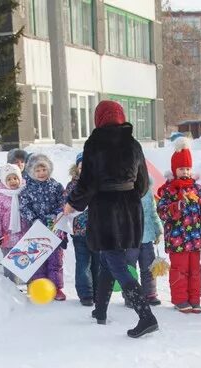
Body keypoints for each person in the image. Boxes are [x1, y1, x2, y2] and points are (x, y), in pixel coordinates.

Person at [64, 100, 159, 338]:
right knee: (109, 259)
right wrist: (128, 196)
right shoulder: (133, 143)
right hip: (129, 209)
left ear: (99, 118)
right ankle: (101, 311)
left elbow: (87, 183)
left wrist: (73, 203)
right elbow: (143, 183)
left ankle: (146, 316)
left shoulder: (95, 143)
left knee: (115, 261)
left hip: (105, 209)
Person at [157, 138, 201, 313]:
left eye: (188, 168)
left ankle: (194, 299)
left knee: (195, 271)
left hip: (195, 239)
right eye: (182, 168)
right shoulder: (169, 191)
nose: (185, 172)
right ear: (175, 170)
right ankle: (180, 299)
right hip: (177, 239)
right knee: (179, 270)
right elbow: (162, 212)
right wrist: (175, 207)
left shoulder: (196, 190)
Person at [20, 153, 67, 299]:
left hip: (54, 228)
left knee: (55, 260)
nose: (41, 173)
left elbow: (63, 203)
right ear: (32, 172)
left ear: (49, 169)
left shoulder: (56, 186)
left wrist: (54, 216)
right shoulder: (27, 189)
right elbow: (23, 207)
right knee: (37, 259)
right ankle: (39, 287)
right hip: (36, 229)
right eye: (37, 170)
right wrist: (33, 219)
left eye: (44, 170)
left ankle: (56, 288)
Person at [64, 154, 95, 305]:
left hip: (98, 231)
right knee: (83, 263)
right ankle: (86, 293)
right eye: (82, 167)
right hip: (79, 231)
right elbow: (67, 205)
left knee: (98, 263)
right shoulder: (72, 186)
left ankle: (97, 290)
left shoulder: (99, 184)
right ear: (77, 168)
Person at [0, 163, 28, 256]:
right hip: (7, 237)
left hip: (24, 236)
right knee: (10, 263)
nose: (12, 181)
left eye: (15, 178)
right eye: (9, 179)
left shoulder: (25, 193)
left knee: (24, 263)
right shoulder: (1, 196)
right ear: (4, 181)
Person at [136, 186, 163, 306]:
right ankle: (131, 294)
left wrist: (158, 230)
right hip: (130, 237)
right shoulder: (125, 189)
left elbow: (153, 212)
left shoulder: (148, 192)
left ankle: (150, 293)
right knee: (129, 267)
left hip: (147, 235)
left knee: (149, 266)